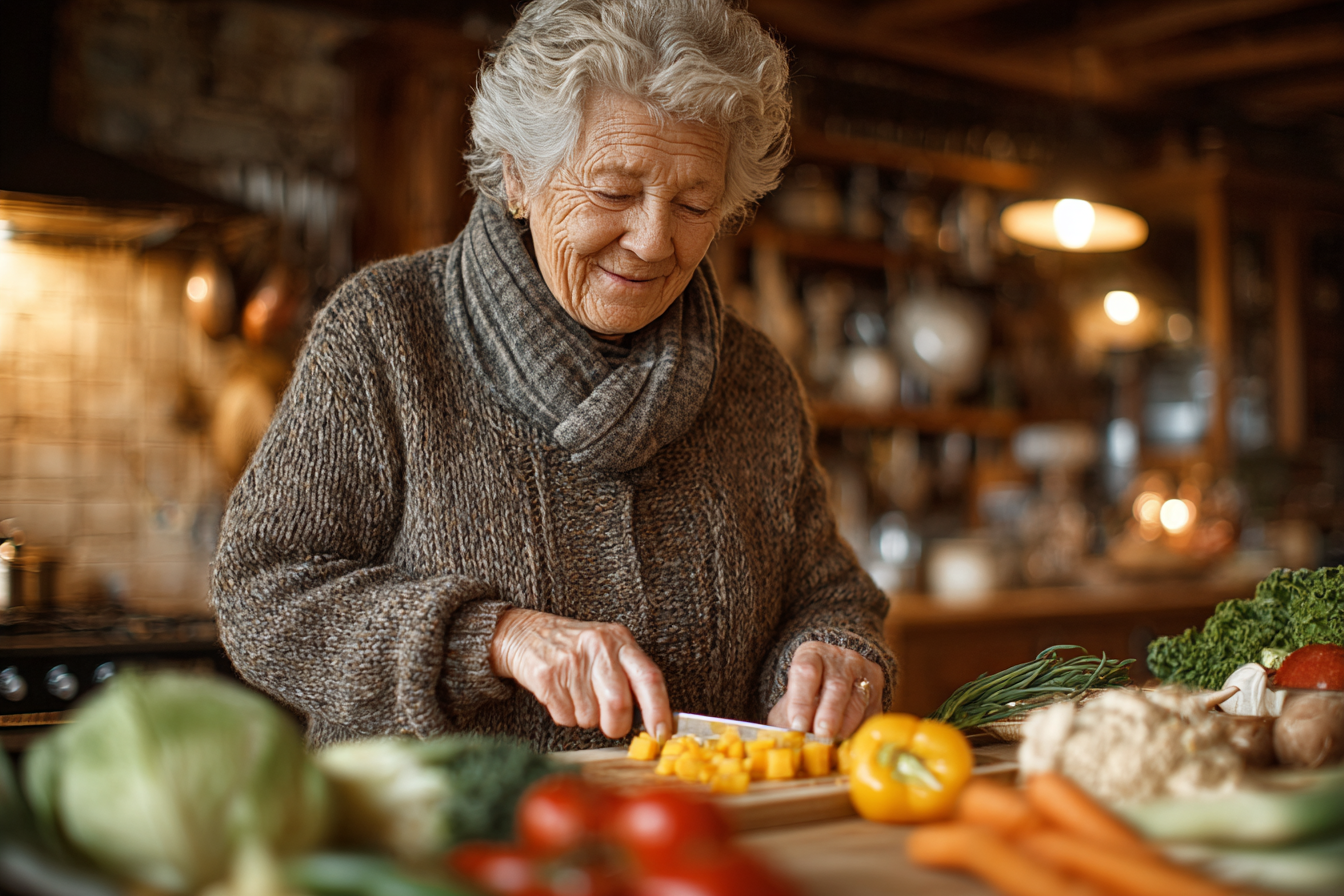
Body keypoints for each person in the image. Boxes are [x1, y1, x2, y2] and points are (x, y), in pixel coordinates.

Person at [212, 0, 898, 750]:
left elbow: (828, 596)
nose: (651, 240)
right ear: (517, 175)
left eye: (695, 203)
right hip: (436, 849)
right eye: (614, 192)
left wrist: (834, 654)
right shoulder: (386, 333)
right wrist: (495, 637)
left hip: (687, 849)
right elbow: (261, 594)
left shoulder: (755, 381)